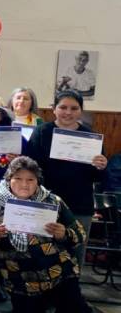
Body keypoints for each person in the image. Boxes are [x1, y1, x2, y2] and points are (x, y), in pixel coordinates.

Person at [0, 157, 109, 313]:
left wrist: (64, 234)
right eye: (18, 179)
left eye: (30, 179)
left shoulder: (53, 201)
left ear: (38, 181)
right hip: (21, 280)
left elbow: (80, 235)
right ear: (8, 180)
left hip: (59, 274)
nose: (24, 184)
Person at [27, 90, 107, 267]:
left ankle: (70, 294)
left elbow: (98, 177)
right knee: (42, 256)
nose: (68, 112)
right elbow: (30, 168)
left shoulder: (91, 138)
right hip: (46, 203)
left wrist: (101, 166)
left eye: (74, 108)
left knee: (75, 256)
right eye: (63, 107)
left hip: (80, 205)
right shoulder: (42, 132)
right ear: (54, 109)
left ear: (80, 111)